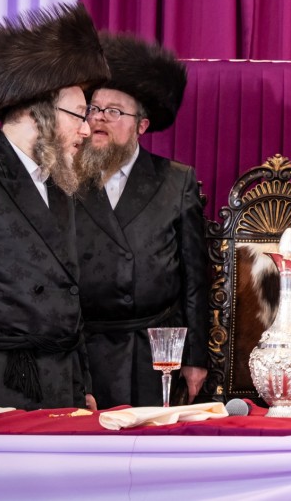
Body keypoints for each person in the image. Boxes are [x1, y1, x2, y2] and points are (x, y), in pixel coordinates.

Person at [74, 34, 209, 408]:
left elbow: (195, 280)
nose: (100, 117)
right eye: (94, 108)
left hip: (152, 353)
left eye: (115, 111)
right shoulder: (64, 179)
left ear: (142, 125)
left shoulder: (175, 181)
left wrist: (195, 357)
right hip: (83, 352)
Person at [0, 3, 110, 410]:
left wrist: (82, 382)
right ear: (34, 112)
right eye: (78, 115)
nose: (87, 129)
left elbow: (69, 295)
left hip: (61, 382)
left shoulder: (58, 183)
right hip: (0, 384)